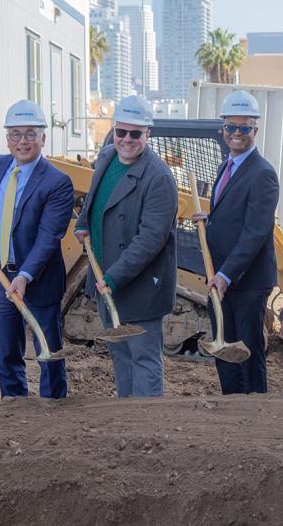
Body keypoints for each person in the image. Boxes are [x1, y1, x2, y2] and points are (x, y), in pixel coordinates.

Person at [0, 99, 74, 399]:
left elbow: (49, 237)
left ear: (43, 138)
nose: (22, 141)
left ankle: (53, 405)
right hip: (0, 275)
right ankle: (13, 404)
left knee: (47, 347)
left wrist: (24, 276)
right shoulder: (0, 165)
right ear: (7, 138)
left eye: (30, 134)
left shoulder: (57, 183)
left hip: (37, 279)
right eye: (16, 134)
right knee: (7, 348)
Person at [74, 95, 178, 397]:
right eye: (122, 132)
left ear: (148, 134)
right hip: (106, 278)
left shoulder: (159, 178)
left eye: (136, 133)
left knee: (144, 359)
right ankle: (126, 418)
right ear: (113, 130)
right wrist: (82, 223)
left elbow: (150, 241)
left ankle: (147, 427)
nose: (127, 140)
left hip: (139, 285)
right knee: (120, 356)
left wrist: (113, 278)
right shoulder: (106, 157)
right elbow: (93, 199)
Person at [192, 90, 280, 394]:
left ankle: (254, 410)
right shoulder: (226, 167)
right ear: (223, 129)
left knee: (247, 351)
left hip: (246, 282)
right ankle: (232, 408)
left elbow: (254, 234)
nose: (237, 134)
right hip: (221, 277)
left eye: (244, 128)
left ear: (255, 130)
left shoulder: (263, 174)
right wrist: (210, 219)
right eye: (231, 127)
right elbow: (234, 215)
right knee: (224, 348)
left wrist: (226, 275)